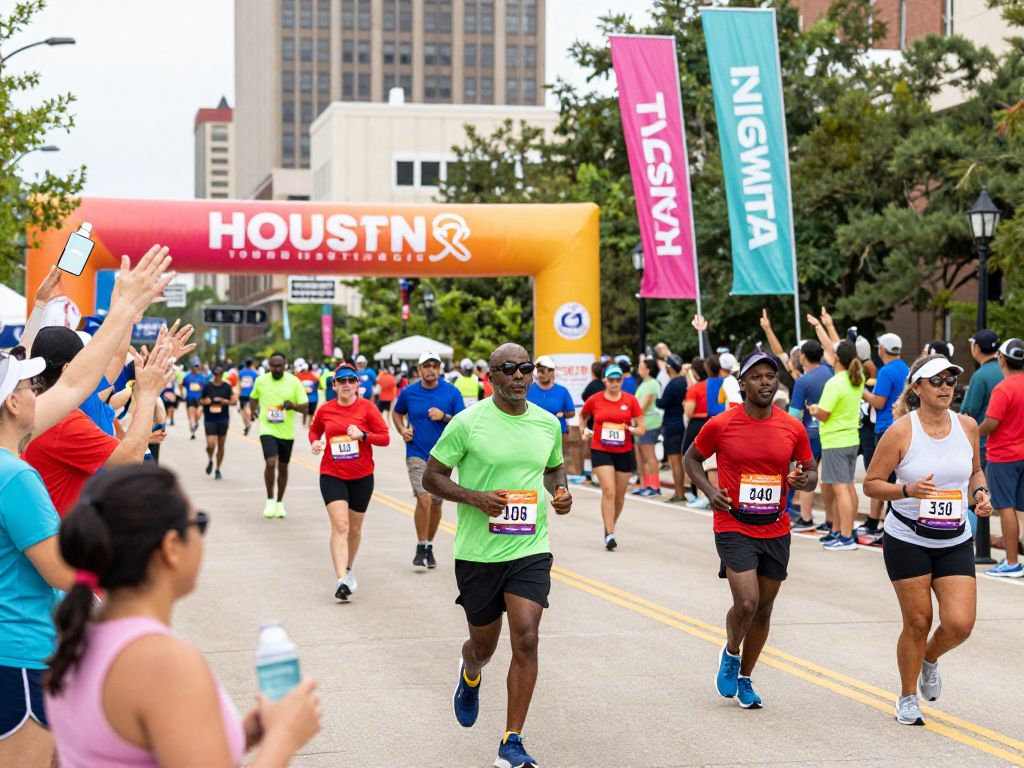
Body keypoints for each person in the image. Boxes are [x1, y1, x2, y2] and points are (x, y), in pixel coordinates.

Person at [0, 247, 173, 768]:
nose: (39, 391)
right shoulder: (15, 477)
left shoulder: (17, 450)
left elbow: (75, 383)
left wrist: (118, 308)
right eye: (30, 386)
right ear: (14, 403)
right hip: (24, 649)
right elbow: (57, 568)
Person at [44, 465, 322, 766]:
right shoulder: (163, 663)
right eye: (198, 523)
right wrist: (285, 735)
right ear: (171, 547)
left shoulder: (80, 639)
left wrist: (240, 735)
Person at [421, 343, 571, 768]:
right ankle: (471, 673)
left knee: (526, 636)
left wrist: (559, 491)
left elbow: (554, 466)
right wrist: (475, 498)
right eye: (510, 369)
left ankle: (511, 740)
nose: (520, 375)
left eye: (526, 367)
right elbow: (433, 476)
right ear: (492, 377)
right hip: (478, 553)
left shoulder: (547, 424)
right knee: (482, 646)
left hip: (529, 546)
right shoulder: (467, 424)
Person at [862, 354, 991, 726]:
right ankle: (906, 697)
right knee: (918, 621)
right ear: (917, 387)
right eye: (936, 380)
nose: (946, 386)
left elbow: (975, 471)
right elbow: (871, 483)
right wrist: (908, 489)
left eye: (951, 379)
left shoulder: (967, 426)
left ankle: (929, 660)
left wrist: (980, 494)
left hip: (953, 537)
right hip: (908, 538)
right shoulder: (902, 431)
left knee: (959, 624)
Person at [684, 352, 817, 710]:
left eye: (769, 377)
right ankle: (730, 651)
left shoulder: (792, 426)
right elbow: (690, 459)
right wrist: (711, 493)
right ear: (741, 384)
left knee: (764, 609)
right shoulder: (721, 424)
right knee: (746, 601)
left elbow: (811, 471)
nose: (764, 382)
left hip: (775, 526)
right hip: (734, 523)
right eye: (756, 377)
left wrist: (803, 479)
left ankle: (745, 676)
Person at [23, 328, 174, 517]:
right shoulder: (63, 422)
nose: (93, 369)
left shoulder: (32, 408)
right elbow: (130, 458)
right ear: (67, 369)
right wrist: (148, 393)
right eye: (86, 363)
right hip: (61, 539)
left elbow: (117, 357)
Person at [307, 363, 390, 601]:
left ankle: (349, 567)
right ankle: (341, 578)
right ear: (333, 385)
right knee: (340, 525)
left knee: (354, 529)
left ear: (357, 385)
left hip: (362, 476)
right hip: (332, 474)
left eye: (351, 381)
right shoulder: (325, 410)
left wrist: (363, 435)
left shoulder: (368, 408)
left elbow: (385, 438)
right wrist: (315, 443)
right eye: (341, 381)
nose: (346, 385)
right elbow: (314, 431)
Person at [392, 351, 465, 567]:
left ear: (440, 368)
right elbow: (397, 413)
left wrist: (444, 417)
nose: (430, 369)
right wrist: (402, 430)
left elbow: (462, 422)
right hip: (416, 452)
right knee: (423, 498)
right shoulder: (409, 392)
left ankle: (428, 546)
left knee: (435, 502)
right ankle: (421, 544)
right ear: (419, 370)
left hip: (443, 457)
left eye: (434, 365)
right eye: (426, 366)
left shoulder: (452, 392)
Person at [579, 364, 644, 550]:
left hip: (624, 451)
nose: (615, 383)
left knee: (620, 497)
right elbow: (583, 417)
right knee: (609, 491)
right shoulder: (594, 400)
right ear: (605, 380)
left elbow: (641, 427)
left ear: (622, 381)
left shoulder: (631, 400)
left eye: (618, 379)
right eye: (611, 379)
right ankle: (609, 533)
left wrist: (631, 429)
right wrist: (584, 431)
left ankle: (610, 527)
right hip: (601, 449)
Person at [809, 341, 866, 550]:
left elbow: (824, 413)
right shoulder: (856, 379)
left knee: (840, 489)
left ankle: (845, 536)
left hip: (835, 439)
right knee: (848, 486)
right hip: (851, 437)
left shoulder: (835, 383)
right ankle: (844, 531)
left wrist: (814, 409)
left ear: (836, 359)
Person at [978, 338, 1024, 578]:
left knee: (1005, 508)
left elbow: (992, 422)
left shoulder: (1004, 388)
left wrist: (973, 430)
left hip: (1003, 455)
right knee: (1021, 509)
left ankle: (1012, 561)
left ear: (1002, 360)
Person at [250, 353, 309, 519]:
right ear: (269, 366)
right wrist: (253, 411)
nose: (276, 369)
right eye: (273, 366)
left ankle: (279, 502)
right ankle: (269, 500)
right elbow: (253, 397)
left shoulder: (294, 382)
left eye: (279, 366)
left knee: (283, 467)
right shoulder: (261, 381)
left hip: (287, 432)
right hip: (267, 428)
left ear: (285, 365)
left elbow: (305, 407)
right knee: (270, 462)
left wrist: (292, 406)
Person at [861, 333, 910, 532]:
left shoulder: (886, 371)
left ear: (882, 350)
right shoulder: (906, 367)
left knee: (880, 479)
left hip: (884, 428)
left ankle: (885, 524)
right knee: (896, 478)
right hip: (903, 425)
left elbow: (879, 402)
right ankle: (882, 522)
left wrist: (861, 391)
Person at [787, 340, 833, 532]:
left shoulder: (803, 381)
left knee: (807, 475)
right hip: (831, 431)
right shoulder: (830, 371)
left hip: (810, 432)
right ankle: (831, 520)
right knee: (830, 479)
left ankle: (806, 518)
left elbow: (794, 416)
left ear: (803, 356)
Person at [960, 329, 1002, 465]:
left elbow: (969, 411)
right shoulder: (1006, 370)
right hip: (1011, 441)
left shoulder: (980, 376)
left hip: (983, 442)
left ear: (976, 347)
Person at [657, 354, 693, 504]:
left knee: (675, 461)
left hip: (672, 425)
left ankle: (679, 493)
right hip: (684, 423)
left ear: (669, 368)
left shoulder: (673, 384)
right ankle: (684, 491)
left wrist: (655, 399)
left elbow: (663, 403)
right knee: (682, 459)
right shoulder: (685, 381)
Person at [525, 355, 576, 458]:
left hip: (557, 433)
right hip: (533, 433)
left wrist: (563, 414)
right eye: (539, 371)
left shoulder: (562, 391)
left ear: (552, 372)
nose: (542, 374)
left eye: (545, 371)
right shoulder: (528, 389)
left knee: (557, 463)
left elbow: (572, 411)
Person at [633, 356, 663, 497]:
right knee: (642, 457)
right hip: (640, 424)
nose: (639, 370)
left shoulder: (652, 384)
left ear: (649, 370)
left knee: (649, 456)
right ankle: (645, 484)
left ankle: (654, 486)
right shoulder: (644, 383)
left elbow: (643, 405)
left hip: (649, 424)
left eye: (642, 367)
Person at [682, 358, 711, 509]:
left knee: (691, 458)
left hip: (697, 423)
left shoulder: (695, 389)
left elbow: (688, 411)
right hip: (712, 422)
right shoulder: (714, 385)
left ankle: (698, 493)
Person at [200, 365, 236, 481]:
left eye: (219, 374)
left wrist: (226, 401)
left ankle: (218, 469)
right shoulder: (208, 386)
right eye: (215, 374)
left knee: (221, 445)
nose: (217, 377)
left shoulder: (227, 387)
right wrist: (206, 401)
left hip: (223, 419)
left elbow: (234, 401)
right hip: (210, 418)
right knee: (210, 445)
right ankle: (210, 459)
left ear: (222, 375)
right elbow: (201, 400)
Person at [181, 360, 208, 440]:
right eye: (194, 366)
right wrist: (182, 393)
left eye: (197, 366)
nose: (195, 368)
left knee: (198, 413)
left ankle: (195, 423)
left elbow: (207, 388)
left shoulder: (203, 377)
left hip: (200, 399)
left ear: (199, 367)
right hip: (190, 398)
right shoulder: (187, 377)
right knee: (191, 415)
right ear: (191, 367)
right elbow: (181, 385)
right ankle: (192, 431)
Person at [294, 359, 320, 427]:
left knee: (311, 413)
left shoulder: (313, 376)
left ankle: (309, 425)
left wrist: (312, 388)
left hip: (313, 398)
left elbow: (317, 384)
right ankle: (304, 423)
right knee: (305, 411)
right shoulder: (297, 376)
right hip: (304, 398)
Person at [238, 358, 259, 435]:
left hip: (242, 394)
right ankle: (248, 423)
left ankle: (247, 424)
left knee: (243, 410)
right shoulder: (255, 373)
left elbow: (238, 384)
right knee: (245, 410)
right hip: (251, 394)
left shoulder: (240, 373)